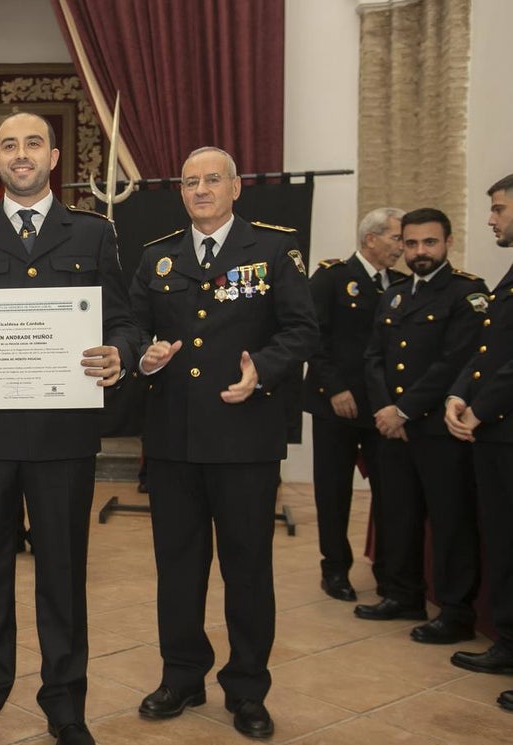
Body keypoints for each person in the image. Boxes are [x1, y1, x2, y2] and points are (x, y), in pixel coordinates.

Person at [0, 111, 134, 745]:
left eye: (32, 143)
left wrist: (118, 352)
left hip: (62, 437)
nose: (19, 154)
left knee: (62, 574)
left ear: (53, 157)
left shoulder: (92, 234)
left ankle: (65, 704)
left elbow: (120, 320)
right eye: (8, 145)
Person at [130, 146, 318, 740]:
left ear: (236, 188)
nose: (201, 189)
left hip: (244, 437)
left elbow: (303, 329)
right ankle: (181, 676)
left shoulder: (271, 248)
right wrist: (144, 352)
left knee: (247, 569)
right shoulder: (157, 257)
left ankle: (247, 689)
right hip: (173, 441)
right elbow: (130, 324)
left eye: (213, 180)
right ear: (181, 192)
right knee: (178, 569)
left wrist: (262, 368)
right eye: (191, 182)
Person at [358, 208, 485, 646]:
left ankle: (454, 612)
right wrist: (385, 411)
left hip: (437, 431)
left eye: (429, 242)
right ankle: (403, 594)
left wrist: (404, 411)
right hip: (394, 429)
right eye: (410, 243)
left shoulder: (467, 294)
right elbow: (373, 357)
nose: (418, 252)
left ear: (448, 242)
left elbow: (455, 362)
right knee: (398, 514)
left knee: (450, 523)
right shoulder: (393, 295)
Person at [304, 207, 407, 602]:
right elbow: (312, 336)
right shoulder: (332, 277)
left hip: (383, 410)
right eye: (397, 238)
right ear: (371, 239)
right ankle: (334, 570)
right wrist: (334, 389)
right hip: (337, 406)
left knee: (390, 493)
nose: (401, 247)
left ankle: (388, 572)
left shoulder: (398, 284)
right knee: (333, 493)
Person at [445, 174, 513, 711]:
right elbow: (489, 349)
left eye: (498, 209)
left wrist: (481, 408)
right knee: (502, 542)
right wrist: (461, 393)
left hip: (501, 427)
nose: (491, 218)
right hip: (491, 431)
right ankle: (508, 644)